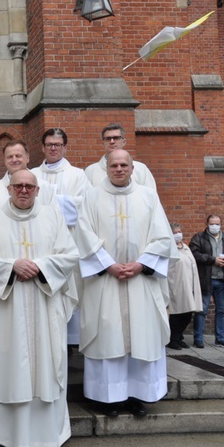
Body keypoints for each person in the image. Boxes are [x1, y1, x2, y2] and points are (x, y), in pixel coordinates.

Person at [0, 170, 78, 447]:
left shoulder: (53, 217)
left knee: (46, 363)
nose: (24, 190)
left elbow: (69, 256)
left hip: (45, 307)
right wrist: (10, 267)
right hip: (7, 310)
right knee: (10, 367)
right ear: (8, 188)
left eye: (30, 186)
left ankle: (48, 437)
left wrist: (40, 267)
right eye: (19, 185)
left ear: (38, 190)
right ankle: (8, 437)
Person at [76, 150, 177, 418]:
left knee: (141, 335)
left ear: (133, 168)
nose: (119, 169)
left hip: (140, 281)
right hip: (105, 281)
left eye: (124, 165)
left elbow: (163, 238)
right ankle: (108, 399)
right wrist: (107, 264)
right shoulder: (91, 196)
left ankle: (138, 396)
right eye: (114, 165)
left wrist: (141, 264)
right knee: (108, 335)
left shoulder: (148, 196)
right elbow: (83, 235)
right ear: (106, 167)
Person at [31, 129, 91, 345]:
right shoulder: (33, 174)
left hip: (68, 242)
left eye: (57, 144)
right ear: (42, 147)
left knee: (69, 289)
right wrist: (61, 201)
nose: (53, 148)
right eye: (49, 144)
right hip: (40, 243)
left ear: (65, 147)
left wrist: (48, 202)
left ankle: (71, 345)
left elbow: (84, 205)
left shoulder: (78, 175)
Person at [189, 214, 224, 349]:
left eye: (217, 224)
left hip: (223, 280)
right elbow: (194, 254)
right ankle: (198, 338)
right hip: (206, 279)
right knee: (202, 310)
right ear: (207, 224)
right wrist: (213, 260)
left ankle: (220, 338)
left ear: (220, 224)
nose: (215, 226)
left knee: (222, 311)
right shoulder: (199, 238)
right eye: (212, 223)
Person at [0, 140, 56, 211]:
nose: (14, 160)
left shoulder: (44, 187)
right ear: (4, 161)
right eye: (10, 157)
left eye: (18, 156)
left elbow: (55, 217)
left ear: (27, 158)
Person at [84, 123, 156, 190]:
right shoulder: (91, 171)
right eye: (108, 139)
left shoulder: (140, 169)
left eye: (116, 138)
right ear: (103, 143)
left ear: (124, 142)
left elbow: (151, 198)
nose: (112, 141)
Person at [167, 222, 201, 350]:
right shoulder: (169, 248)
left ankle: (179, 336)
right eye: (175, 232)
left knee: (187, 313)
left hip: (189, 285)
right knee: (176, 313)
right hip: (175, 285)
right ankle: (173, 339)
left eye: (179, 231)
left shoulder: (186, 247)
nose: (178, 234)